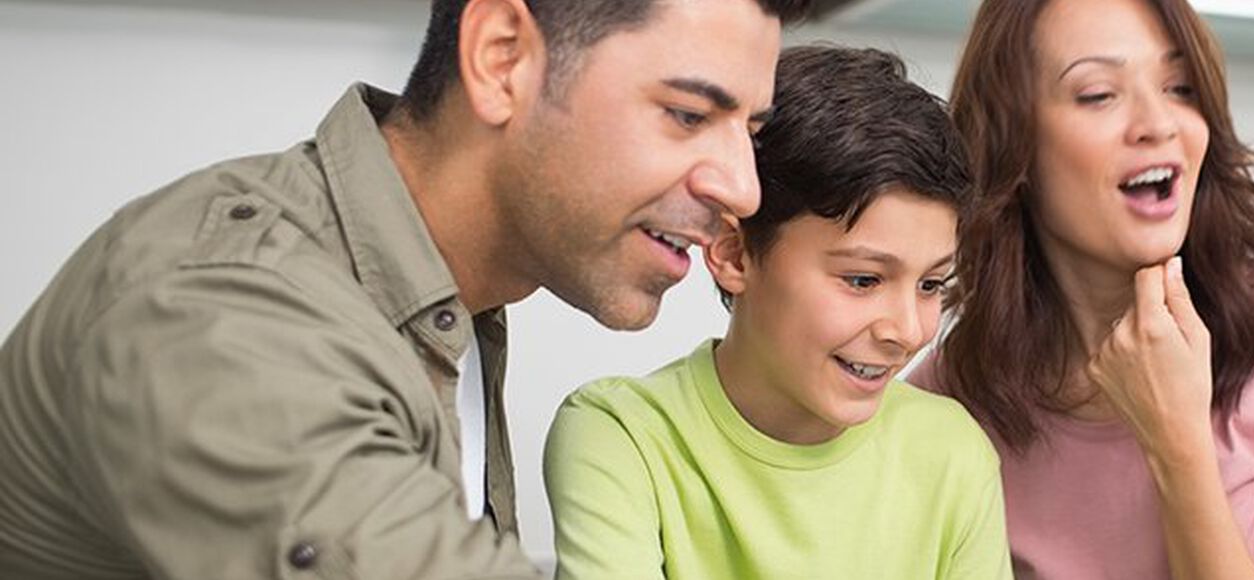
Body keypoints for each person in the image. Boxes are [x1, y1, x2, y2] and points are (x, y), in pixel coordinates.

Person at [0, 0, 806, 577]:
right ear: (501, 58)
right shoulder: (230, 315)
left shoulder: (456, 287)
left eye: (751, 133)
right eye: (688, 115)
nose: (743, 188)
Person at [910, 0, 1254, 578]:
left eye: (1180, 87)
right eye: (1098, 95)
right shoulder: (949, 397)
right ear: (1015, 144)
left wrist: (1176, 444)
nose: (1158, 124)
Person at [544, 44, 1010, 580]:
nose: (907, 330)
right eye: (863, 280)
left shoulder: (952, 454)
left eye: (932, 284)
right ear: (733, 252)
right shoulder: (624, 436)